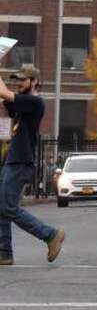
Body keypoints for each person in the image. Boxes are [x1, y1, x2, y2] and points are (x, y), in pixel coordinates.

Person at [0, 65, 64, 267]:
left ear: (34, 81)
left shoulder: (34, 102)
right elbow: (5, 100)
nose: (19, 83)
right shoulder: (24, 104)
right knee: (1, 207)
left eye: (22, 80)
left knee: (7, 207)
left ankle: (50, 235)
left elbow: (3, 93)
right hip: (12, 160)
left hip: (21, 162)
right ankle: (4, 253)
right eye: (17, 80)